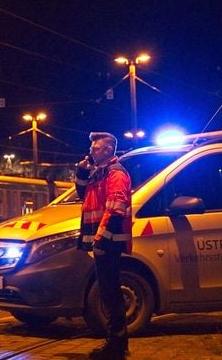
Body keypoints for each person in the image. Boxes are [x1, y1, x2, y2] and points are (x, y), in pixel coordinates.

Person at [75, 132, 132, 359]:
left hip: (108, 242)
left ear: (108, 150)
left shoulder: (115, 173)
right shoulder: (98, 172)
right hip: (103, 241)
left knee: (111, 292)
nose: (91, 152)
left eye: (96, 149)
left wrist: (101, 239)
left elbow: (116, 208)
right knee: (108, 292)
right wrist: (81, 171)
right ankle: (116, 344)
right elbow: (83, 194)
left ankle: (116, 346)